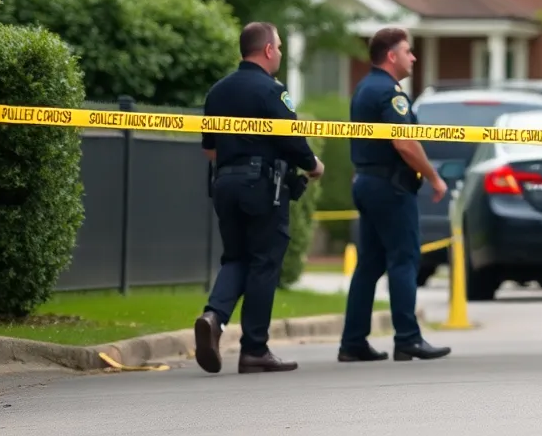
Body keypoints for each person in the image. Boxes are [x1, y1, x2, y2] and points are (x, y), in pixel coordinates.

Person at [193, 22, 324, 374]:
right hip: (262, 188)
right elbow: (292, 138)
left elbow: (209, 151)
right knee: (264, 262)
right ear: (267, 50)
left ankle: (214, 317)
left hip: (225, 185)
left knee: (236, 258)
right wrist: (313, 165)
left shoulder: (217, 92)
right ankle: (254, 349)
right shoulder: (272, 92)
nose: (280, 52)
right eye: (278, 47)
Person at [337, 27, 452, 362]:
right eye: (408, 51)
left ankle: (353, 342)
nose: (413, 57)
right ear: (391, 55)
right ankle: (407, 338)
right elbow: (403, 142)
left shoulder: (365, 87)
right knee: (404, 260)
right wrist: (433, 177)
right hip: (390, 187)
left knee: (369, 265)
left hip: (368, 183)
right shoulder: (389, 93)